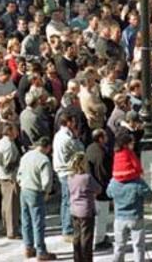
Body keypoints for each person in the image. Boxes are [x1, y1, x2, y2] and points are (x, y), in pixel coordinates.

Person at [17, 137, 56, 261]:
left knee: (26, 219)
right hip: (35, 191)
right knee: (38, 222)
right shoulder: (44, 160)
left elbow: (19, 174)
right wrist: (47, 193)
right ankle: (41, 251)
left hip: (24, 189)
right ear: (48, 147)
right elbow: (47, 181)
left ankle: (28, 247)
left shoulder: (26, 156)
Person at [106, 164, 152, 262]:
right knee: (138, 247)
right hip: (136, 217)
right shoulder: (137, 182)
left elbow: (108, 193)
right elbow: (150, 196)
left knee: (119, 247)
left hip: (119, 218)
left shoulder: (114, 181)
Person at [53, 112, 84, 242]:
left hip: (62, 171)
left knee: (65, 200)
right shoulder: (67, 138)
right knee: (67, 201)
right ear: (69, 122)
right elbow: (80, 150)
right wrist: (77, 138)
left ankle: (66, 226)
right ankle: (67, 229)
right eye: (73, 121)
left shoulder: (58, 135)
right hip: (67, 172)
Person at [68, 152, 101, 262]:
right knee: (86, 238)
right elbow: (98, 189)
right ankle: (86, 259)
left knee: (77, 236)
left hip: (74, 209)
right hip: (86, 210)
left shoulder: (70, 177)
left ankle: (77, 258)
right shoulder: (87, 177)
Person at [86, 129, 113, 250]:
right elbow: (104, 173)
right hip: (101, 188)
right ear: (101, 138)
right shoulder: (102, 153)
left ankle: (98, 237)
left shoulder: (90, 148)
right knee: (102, 216)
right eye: (105, 136)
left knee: (98, 216)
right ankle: (99, 240)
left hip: (93, 187)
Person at [0, 123, 21, 239]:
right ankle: (12, 231)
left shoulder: (1, 142)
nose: (17, 132)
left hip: (0, 177)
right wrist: (19, 162)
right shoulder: (9, 145)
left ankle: (6, 227)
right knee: (12, 206)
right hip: (9, 178)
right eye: (15, 130)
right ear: (10, 131)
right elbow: (8, 166)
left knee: (5, 205)